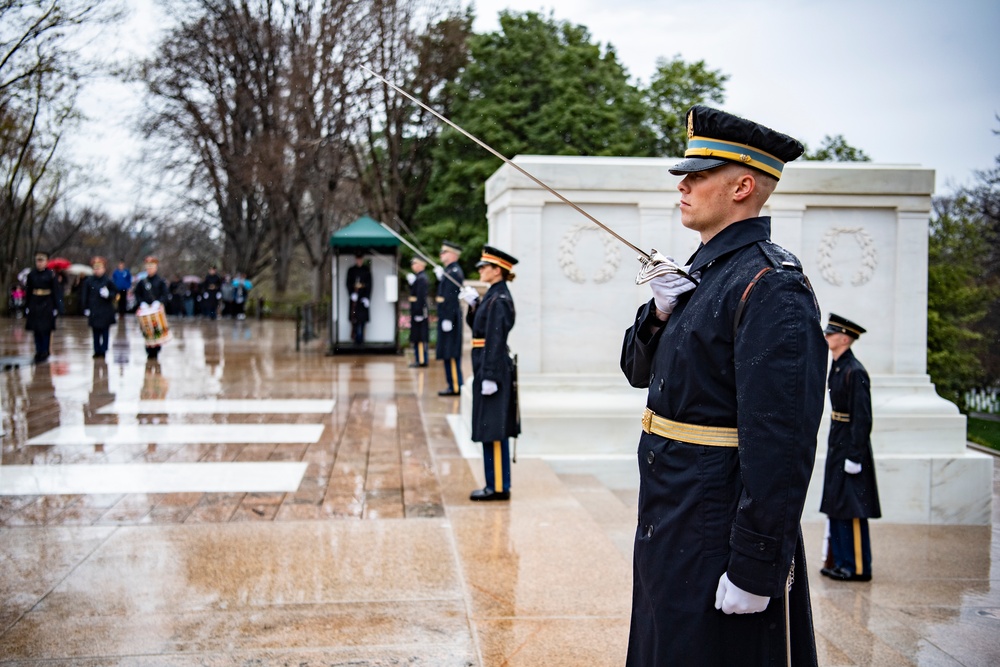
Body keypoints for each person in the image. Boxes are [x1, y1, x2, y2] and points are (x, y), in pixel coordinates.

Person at [619, 105, 828, 666]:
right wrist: (658, 314)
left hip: (716, 516)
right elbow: (639, 372)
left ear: (741, 186)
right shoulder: (706, 271)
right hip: (676, 508)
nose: (682, 185)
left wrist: (757, 566)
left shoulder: (771, 283)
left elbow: (782, 441)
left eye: (698, 175)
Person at [819, 313, 881, 582]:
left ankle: (856, 566)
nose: (827, 336)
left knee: (852, 508)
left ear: (845, 338)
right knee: (837, 504)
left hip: (850, 446)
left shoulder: (854, 371)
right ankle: (840, 560)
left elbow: (863, 417)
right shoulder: (838, 366)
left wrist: (855, 455)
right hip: (838, 441)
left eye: (831, 333)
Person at [462, 246, 519, 501]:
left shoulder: (500, 299)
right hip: (486, 366)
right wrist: (474, 305)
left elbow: (495, 340)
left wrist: (490, 376)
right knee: (489, 427)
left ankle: (497, 487)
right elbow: (479, 329)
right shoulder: (493, 296)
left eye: (484, 267)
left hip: (492, 369)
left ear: (498, 271)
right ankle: (494, 483)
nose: (480, 270)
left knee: (493, 429)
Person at [435, 241, 465, 396]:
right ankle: (452, 384)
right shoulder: (449, 272)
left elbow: (451, 298)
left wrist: (447, 318)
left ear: (453, 255)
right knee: (447, 351)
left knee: (451, 353)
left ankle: (455, 385)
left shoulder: (454, 272)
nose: (442, 255)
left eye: (444, 252)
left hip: (450, 318)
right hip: (447, 318)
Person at [24, 250, 63, 363]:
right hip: (35, 303)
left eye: (42, 260)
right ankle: (38, 351)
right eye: (38, 260)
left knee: (45, 329)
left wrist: (57, 307)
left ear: (46, 261)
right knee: (36, 330)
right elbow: (29, 290)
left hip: (47, 303)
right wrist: (26, 305)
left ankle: (45, 350)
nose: (39, 263)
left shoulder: (51, 274)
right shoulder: (32, 275)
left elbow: (56, 292)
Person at [134, 256, 170, 359]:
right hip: (145, 310)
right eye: (148, 267)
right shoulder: (142, 281)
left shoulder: (160, 281)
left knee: (157, 331)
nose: (149, 269)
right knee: (147, 330)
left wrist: (159, 302)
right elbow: (137, 294)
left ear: (156, 268)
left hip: (155, 310)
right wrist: (141, 303)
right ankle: (149, 349)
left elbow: (165, 294)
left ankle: (156, 350)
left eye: (151, 267)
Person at [80, 256, 117, 358]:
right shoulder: (89, 281)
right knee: (95, 332)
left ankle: (104, 349)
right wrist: (85, 307)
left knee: (105, 332)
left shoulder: (108, 281)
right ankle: (97, 350)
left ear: (104, 269)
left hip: (105, 310)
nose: (97, 270)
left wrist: (108, 294)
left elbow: (115, 293)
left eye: (99, 268)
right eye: (95, 268)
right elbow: (84, 295)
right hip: (94, 309)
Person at [406, 257, 430, 367]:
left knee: (420, 337)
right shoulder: (418, 278)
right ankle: (419, 358)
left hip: (419, 311)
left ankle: (421, 360)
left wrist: (419, 312)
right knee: (417, 336)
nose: (413, 266)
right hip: (416, 311)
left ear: (420, 265)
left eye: (415, 264)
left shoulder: (421, 278)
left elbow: (420, 297)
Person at [346, 251, 372, 344]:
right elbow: (348, 283)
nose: (359, 261)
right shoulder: (351, 270)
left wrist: (367, 297)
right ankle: (356, 338)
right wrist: (352, 294)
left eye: (360, 259)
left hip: (362, 298)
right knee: (355, 320)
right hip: (355, 300)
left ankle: (362, 339)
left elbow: (369, 285)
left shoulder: (366, 270)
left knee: (363, 320)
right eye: (358, 259)